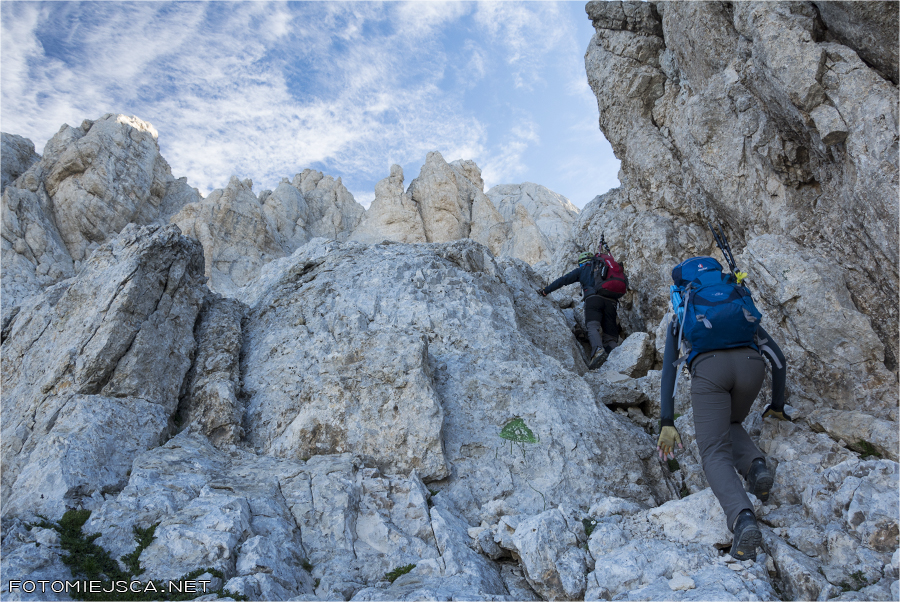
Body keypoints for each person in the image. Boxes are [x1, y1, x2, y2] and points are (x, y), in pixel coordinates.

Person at [657, 257, 790, 561]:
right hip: (751, 367)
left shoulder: (684, 310)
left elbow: (669, 371)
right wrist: (778, 404)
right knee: (730, 422)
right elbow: (778, 358)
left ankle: (742, 519)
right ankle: (756, 467)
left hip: (711, 372)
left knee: (713, 450)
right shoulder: (736, 301)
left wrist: (667, 419)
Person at [538, 251, 623, 369]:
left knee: (593, 326)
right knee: (610, 336)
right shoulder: (604, 267)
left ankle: (598, 350)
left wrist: (546, 290)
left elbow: (563, 280)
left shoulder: (582, 270)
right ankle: (617, 360)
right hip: (611, 302)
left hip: (593, 299)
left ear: (581, 263)